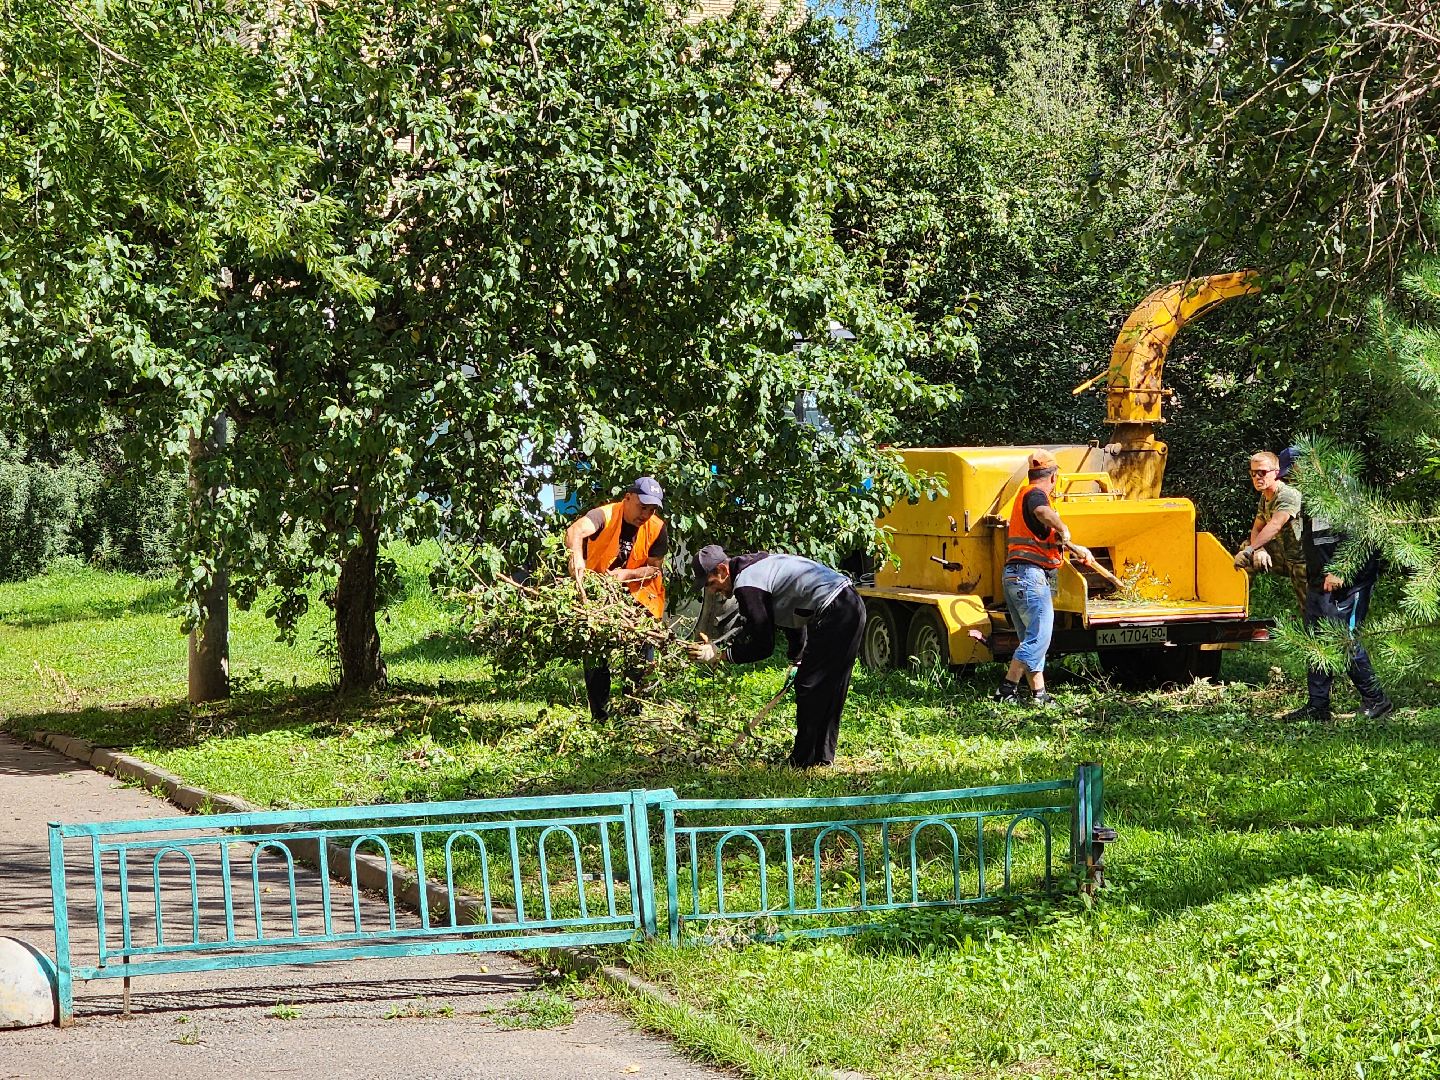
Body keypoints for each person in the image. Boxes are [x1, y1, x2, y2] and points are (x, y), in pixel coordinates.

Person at [688, 546, 865, 768]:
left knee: (810, 686)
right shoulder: (757, 566)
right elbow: (791, 612)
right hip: (849, 603)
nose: (713, 591)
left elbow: (763, 645)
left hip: (836, 609)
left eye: (711, 583)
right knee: (830, 685)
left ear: (723, 571)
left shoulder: (747, 583)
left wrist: (720, 655)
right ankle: (822, 758)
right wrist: (797, 657)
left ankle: (802, 762)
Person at [563, 476, 668, 721]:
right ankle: (600, 715)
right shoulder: (605, 515)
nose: (646, 514)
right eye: (643, 507)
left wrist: (627, 574)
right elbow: (575, 530)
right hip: (600, 594)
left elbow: (654, 569)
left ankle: (633, 715)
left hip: (641, 596)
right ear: (628, 498)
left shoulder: (657, 528)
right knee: (595, 652)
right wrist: (576, 557)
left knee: (642, 657)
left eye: (652, 509)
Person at [994, 449, 1092, 706]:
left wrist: (1077, 548)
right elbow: (1043, 513)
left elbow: (1045, 537)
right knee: (1039, 638)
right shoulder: (1036, 495)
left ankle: (1039, 695)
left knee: (1031, 639)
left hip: (1016, 576)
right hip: (1029, 577)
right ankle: (1006, 688)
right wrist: (1063, 526)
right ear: (1053, 477)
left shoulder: (1022, 498)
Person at [1282, 503, 1394, 723]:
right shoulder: (1305, 501)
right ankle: (1318, 706)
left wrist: (1341, 569)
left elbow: (1365, 538)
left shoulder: (1340, 494)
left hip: (1349, 584)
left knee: (1344, 640)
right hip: (1318, 582)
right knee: (1315, 641)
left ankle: (1376, 700)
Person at [1233, 450, 1307, 611]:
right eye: (1253, 473)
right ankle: (1235, 609)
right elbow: (1257, 528)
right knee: (1246, 548)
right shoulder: (1265, 496)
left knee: (1310, 609)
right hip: (1282, 556)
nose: (1257, 477)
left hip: (1301, 561)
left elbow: (1275, 525)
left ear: (1276, 473)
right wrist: (1257, 549)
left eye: (1262, 472)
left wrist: (1250, 550)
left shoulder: (1287, 495)